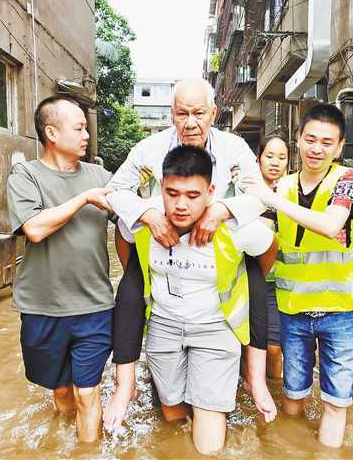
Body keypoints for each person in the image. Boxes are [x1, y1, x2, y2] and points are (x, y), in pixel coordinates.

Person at [103, 78, 276, 429]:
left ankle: (254, 378)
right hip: (161, 239)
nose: (190, 123)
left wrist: (220, 211)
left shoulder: (233, 147)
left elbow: (260, 195)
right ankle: (128, 384)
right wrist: (148, 215)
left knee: (254, 283)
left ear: (213, 113)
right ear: (172, 114)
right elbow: (114, 192)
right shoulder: (149, 149)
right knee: (132, 288)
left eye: (199, 113)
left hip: (222, 239)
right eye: (182, 114)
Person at [118, 145, 278, 455]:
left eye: (193, 196)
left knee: (208, 445)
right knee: (173, 414)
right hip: (164, 326)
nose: (180, 205)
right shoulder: (142, 220)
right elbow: (127, 247)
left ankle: (212, 404)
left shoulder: (237, 227)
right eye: (172, 193)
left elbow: (267, 252)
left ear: (211, 192)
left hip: (216, 329)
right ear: (161, 188)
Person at [245, 104, 353, 448]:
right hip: (292, 310)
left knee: (336, 403)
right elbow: (257, 235)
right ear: (298, 140)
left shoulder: (346, 179)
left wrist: (272, 199)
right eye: (310, 139)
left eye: (327, 142)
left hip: (338, 311)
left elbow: (330, 225)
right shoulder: (282, 187)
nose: (317, 148)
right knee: (293, 399)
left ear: (339, 147)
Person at [6, 96, 113, 443]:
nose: (86, 135)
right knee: (63, 392)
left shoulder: (101, 177)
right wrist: (83, 198)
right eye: (79, 128)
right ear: (51, 132)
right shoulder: (26, 176)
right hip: (43, 308)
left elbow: (135, 221)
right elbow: (34, 229)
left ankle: (88, 450)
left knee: (88, 393)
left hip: (95, 306)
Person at [256, 134, 289, 379]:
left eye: (282, 157)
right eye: (270, 156)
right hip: (250, 279)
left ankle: (277, 393)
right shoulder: (245, 191)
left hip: (282, 283)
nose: (275, 162)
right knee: (250, 346)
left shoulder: (292, 194)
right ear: (258, 158)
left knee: (275, 348)